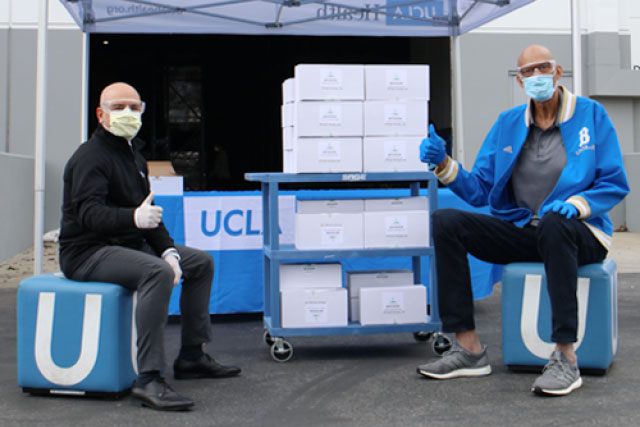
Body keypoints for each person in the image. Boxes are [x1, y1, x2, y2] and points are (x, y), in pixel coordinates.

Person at [416, 45, 629, 396]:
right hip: (527, 229)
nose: (536, 76)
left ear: (558, 72)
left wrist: (577, 205)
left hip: (580, 233)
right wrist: (443, 163)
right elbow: (480, 189)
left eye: (542, 68)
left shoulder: (592, 114)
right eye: (527, 72)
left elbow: (614, 182)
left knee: (555, 223)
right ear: (520, 81)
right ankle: (468, 349)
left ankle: (565, 356)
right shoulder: (508, 123)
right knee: (446, 222)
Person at [59, 82, 241, 411]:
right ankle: (149, 377)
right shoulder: (90, 158)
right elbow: (88, 215)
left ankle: (191, 355)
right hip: (87, 253)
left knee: (199, 263)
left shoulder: (134, 156)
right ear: (101, 115)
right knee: (156, 272)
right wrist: (133, 219)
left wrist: (169, 251)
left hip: (126, 246)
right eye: (118, 108)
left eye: (134, 107)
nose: (128, 113)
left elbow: (150, 215)